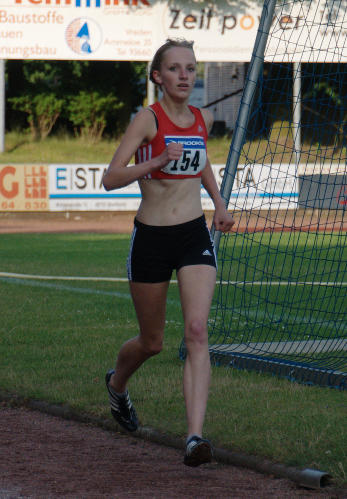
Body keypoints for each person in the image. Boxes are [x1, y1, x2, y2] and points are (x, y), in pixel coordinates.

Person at [103, 38, 235, 467]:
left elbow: (203, 162)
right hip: (152, 238)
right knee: (153, 341)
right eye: (175, 68)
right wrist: (157, 160)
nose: (185, 75)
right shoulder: (147, 119)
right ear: (158, 76)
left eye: (191, 69)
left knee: (197, 330)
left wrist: (219, 203)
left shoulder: (203, 117)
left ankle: (195, 437)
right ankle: (117, 384)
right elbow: (111, 177)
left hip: (193, 233)